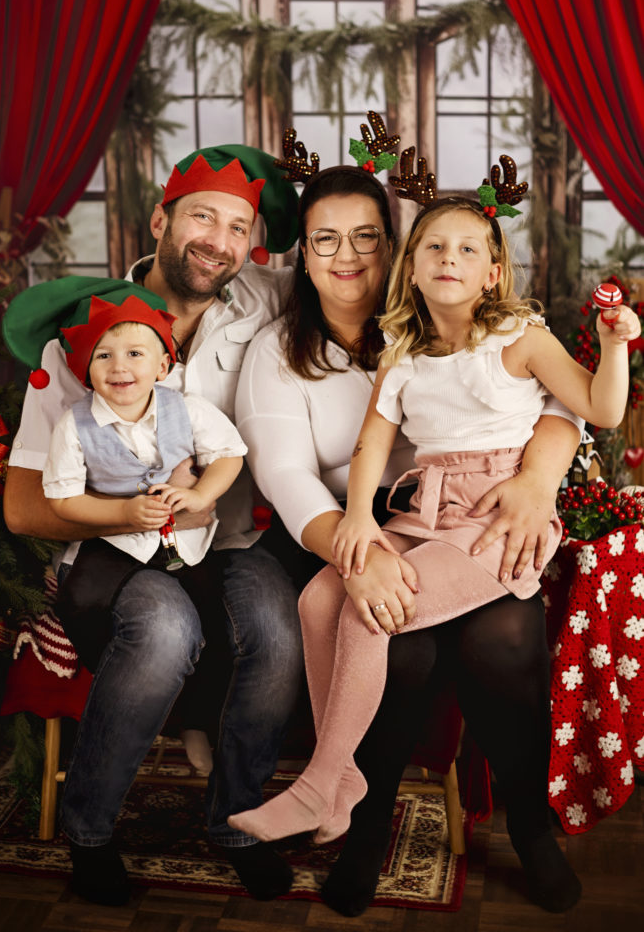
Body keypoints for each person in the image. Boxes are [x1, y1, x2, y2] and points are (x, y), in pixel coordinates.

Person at [232, 125, 589, 916]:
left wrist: (536, 479)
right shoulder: (278, 351)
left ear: (397, 246)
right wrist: (364, 553)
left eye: (365, 235)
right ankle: (360, 819)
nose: (346, 254)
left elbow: (562, 399)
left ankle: (531, 829)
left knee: (499, 639)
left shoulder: (455, 321)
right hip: (357, 535)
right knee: (397, 638)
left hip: (475, 522)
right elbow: (289, 480)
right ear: (302, 254)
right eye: (324, 239)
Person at [2, 146, 305, 905]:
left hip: (225, 542)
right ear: (161, 218)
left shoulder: (265, 305)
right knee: (166, 631)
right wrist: (125, 511)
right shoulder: (83, 335)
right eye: (203, 216)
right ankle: (91, 831)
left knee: (276, 630)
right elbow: (23, 506)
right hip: (113, 556)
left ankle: (238, 821)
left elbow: (352, 273)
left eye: (240, 227)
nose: (219, 240)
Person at [3, 278, 248, 672]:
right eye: (103, 356)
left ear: (162, 366)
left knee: (213, 615)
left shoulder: (188, 409)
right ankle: (112, 671)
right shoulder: (74, 426)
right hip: (113, 543)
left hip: (186, 543)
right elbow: (62, 499)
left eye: (135, 353)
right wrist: (123, 515)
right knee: (82, 597)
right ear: (85, 371)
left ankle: (196, 722)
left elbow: (229, 454)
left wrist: (201, 496)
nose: (119, 366)